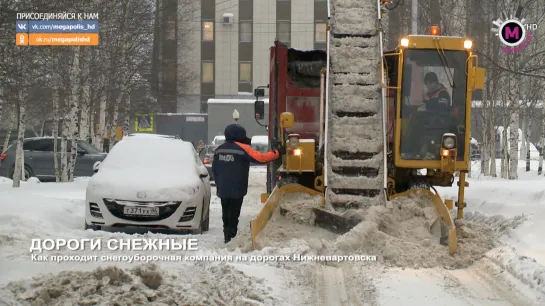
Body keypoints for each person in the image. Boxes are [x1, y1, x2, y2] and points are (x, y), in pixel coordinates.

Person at [212, 124, 286, 243]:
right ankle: (232, 238)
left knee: (225, 214)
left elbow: (215, 169)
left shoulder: (219, 150)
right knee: (234, 214)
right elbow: (261, 158)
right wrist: (278, 152)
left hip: (223, 188)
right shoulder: (243, 149)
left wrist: (219, 183)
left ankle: (226, 236)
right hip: (237, 188)